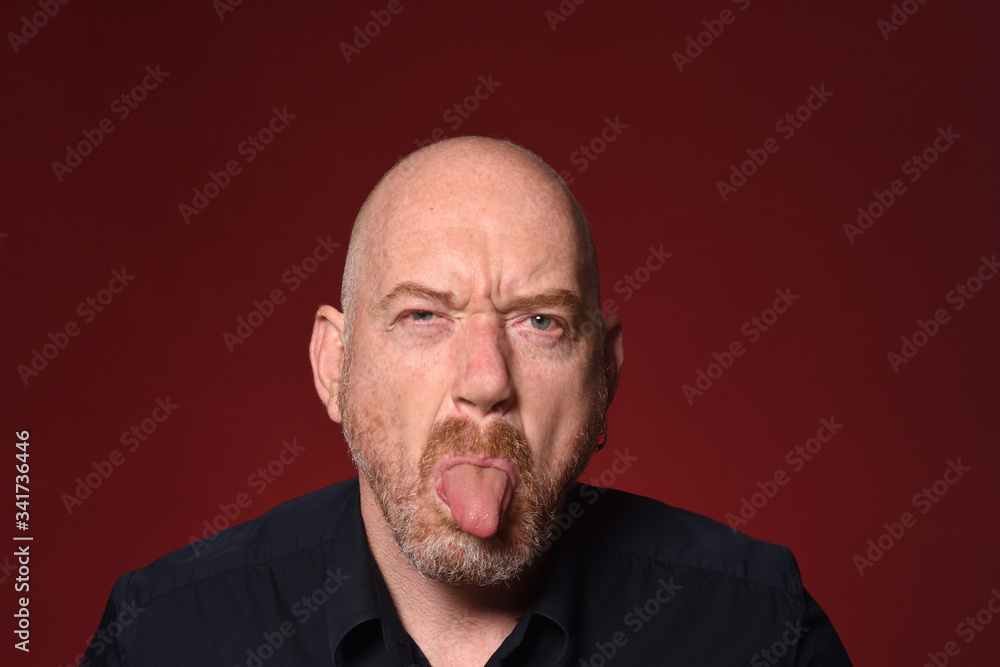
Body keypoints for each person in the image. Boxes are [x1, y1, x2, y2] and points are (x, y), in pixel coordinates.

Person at [82, 137, 852, 666]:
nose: (486, 380)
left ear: (604, 374)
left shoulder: (759, 632)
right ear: (334, 366)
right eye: (424, 315)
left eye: (540, 322)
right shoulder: (165, 637)